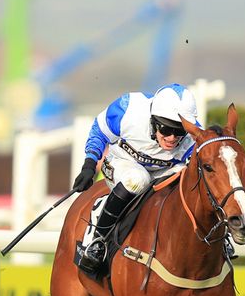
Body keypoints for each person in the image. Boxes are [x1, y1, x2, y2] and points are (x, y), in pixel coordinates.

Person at [71, 83, 200, 273]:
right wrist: (89, 164)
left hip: (166, 170)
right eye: (166, 129)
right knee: (138, 179)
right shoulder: (128, 108)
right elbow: (99, 130)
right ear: (153, 121)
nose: (173, 138)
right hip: (123, 164)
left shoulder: (194, 132)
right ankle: (97, 239)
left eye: (180, 131)